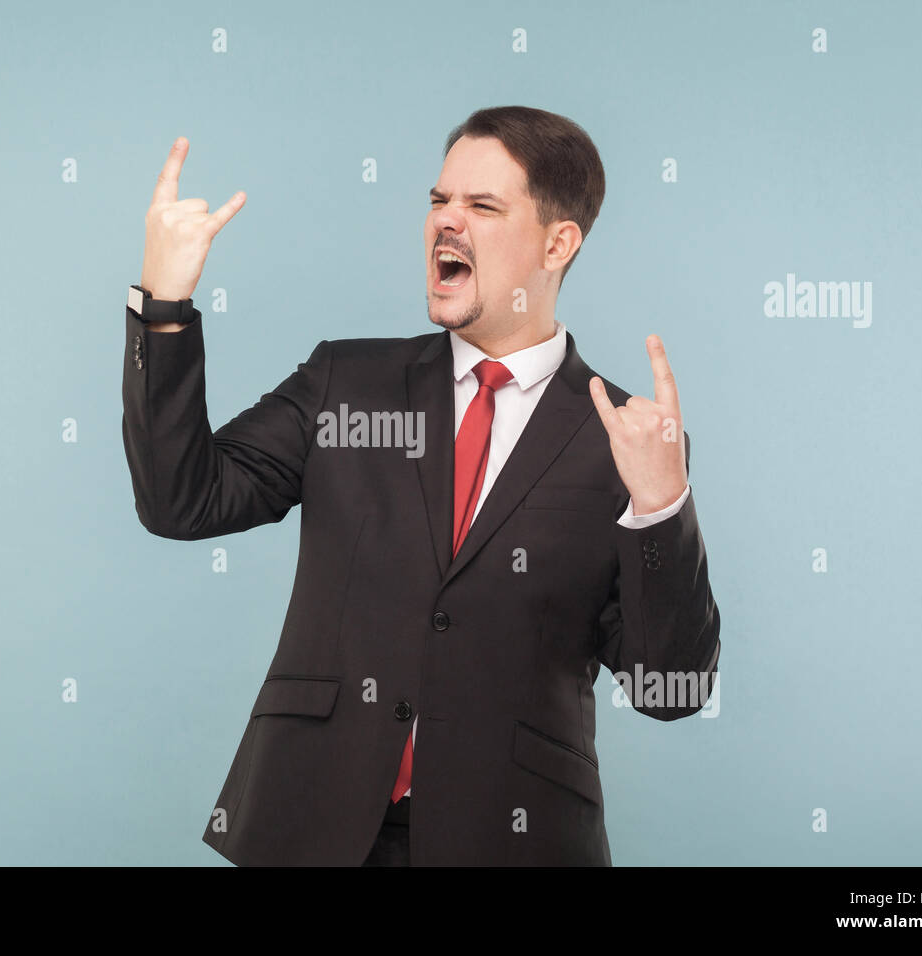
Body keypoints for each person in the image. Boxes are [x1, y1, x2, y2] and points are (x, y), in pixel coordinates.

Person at [121, 106, 721, 866]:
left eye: (482, 206)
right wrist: (163, 309)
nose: (447, 222)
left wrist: (662, 509)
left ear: (558, 242)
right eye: (440, 201)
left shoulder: (626, 440)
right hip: (311, 825)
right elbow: (183, 501)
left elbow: (671, 689)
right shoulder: (346, 382)